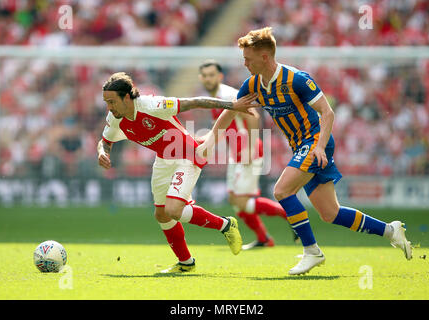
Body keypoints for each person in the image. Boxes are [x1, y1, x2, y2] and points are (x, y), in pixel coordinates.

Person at [198, 27, 412, 275]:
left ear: (265, 57)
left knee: (281, 190)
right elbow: (232, 110)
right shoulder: (254, 84)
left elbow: (327, 112)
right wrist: (212, 136)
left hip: (315, 141)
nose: (244, 63)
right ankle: (390, 230)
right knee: (330, 213)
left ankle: (312, 252)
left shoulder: (297, 79)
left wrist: (320, 146)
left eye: (248, 58)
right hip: (301, 146)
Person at [97, 72, 257, 273]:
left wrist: (231, 105)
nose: (109, 107)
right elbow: (106, 141)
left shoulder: (152, 106)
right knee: (162, 215)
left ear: (127, 97)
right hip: (163, 160)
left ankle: (225, 225)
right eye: (106, 102)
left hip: (187, 155)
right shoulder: (115, 118)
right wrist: (103, 153)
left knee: (173, 210)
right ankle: (186, 263)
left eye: (112, 102)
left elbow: (194, 101)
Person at [198, 59, 299, 249]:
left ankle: (292, 216)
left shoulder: (228, 94)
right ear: (200, 78)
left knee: (241, 201)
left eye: (212, 75)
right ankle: (264, 239)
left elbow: (254, 115)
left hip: (246, 151)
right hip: (236, 154)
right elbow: (223, 128)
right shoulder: (215, 97)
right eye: (205, 75)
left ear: (220, 77)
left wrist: (250, 148)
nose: (208, 79)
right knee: (236, 202)